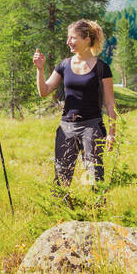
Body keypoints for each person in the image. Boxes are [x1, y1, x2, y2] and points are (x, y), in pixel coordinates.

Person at [32, 19, 117, 188]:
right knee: (62, 176)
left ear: (86, 39)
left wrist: (111, 133)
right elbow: (44, 91)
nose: (68, 42)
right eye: (68, 38)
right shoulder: (64, 65)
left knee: (95, 177)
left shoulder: (102, 68)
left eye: (72, 38)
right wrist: (40, 69)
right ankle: (61, 210)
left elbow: (109, 103)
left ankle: (96, 212)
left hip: (92, 127)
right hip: (66, 128)